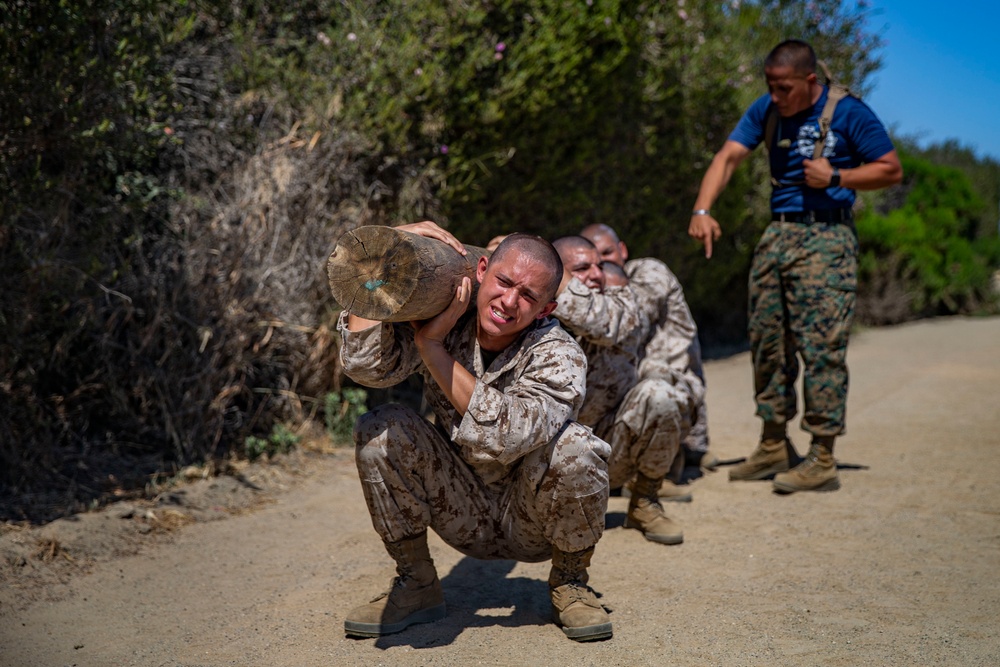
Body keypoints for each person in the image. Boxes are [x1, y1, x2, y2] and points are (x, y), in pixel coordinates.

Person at [338, 222, 613, 642]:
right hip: (459, 505)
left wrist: (432, 349)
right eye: (504, 282)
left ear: (545, 310)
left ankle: (570, 583)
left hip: (532, 521)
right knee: (380, 427)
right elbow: (364, 366)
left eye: (528, 296)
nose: (509, 301)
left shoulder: (559, 354)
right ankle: (417, 584)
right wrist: (380, 250)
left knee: (577, 446)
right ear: (481, 269)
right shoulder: (448, 317)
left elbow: (508, 435)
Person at [686, 39, 902, 493]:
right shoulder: (766, 109)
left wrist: (838, 176)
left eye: (784, 88)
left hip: (827, 236)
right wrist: (703, 210)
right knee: (768, 343)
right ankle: (772, 444)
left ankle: (822, 456)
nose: (776, 96)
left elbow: (889, 170)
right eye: (770, 87)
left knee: (821, 346)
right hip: (778, 234)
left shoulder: (848, 113)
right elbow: (728, 157)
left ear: (809, 81)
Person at [551, 235, 686, 545]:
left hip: (609, 448)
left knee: (660, 394)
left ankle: (644, 501)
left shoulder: (622, 303)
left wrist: (554, 275)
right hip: (548, 459)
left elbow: (603, 323)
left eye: (600, 265)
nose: (598, 274)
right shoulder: (533, 310)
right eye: (583, 268)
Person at [580, 224, 715, 480]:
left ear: (623, 250)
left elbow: (625, 320)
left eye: (607, 253)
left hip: (675, 398)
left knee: (656, 383)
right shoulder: (592, 291)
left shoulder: (648, 272)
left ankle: (661, 470)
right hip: (629, 402)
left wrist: (564, 286)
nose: (600, 265)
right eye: (591, 261)